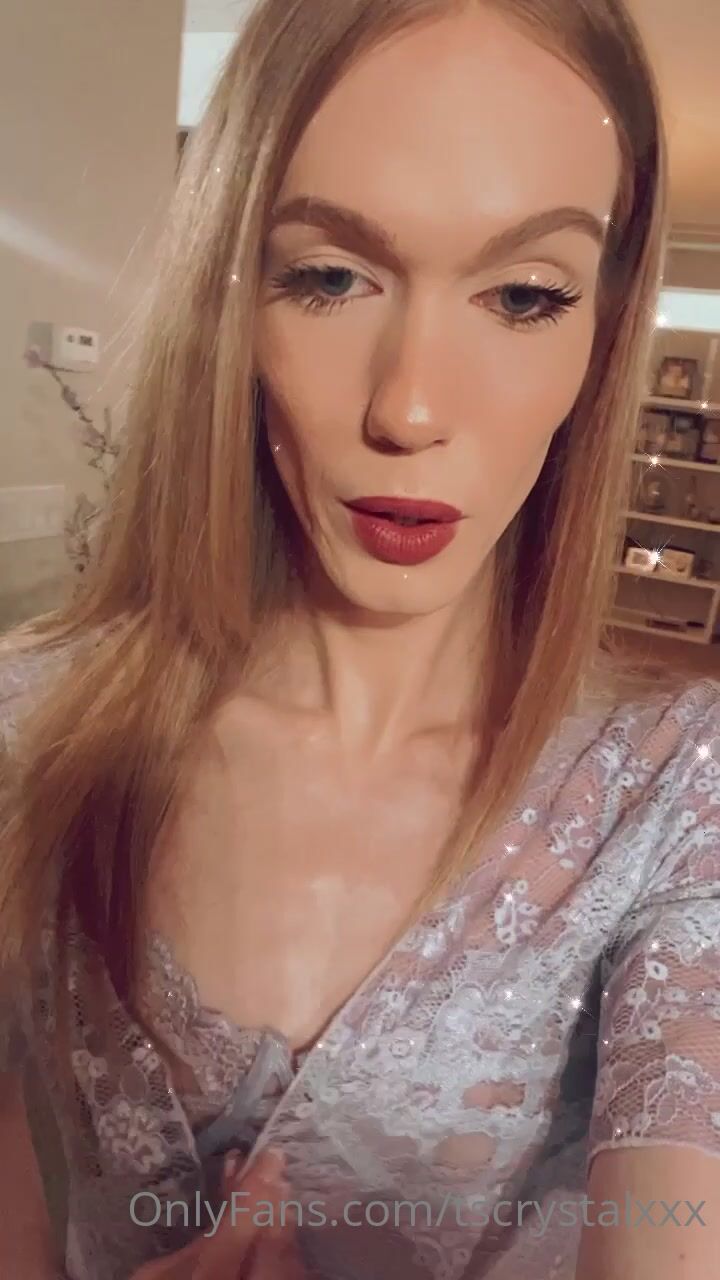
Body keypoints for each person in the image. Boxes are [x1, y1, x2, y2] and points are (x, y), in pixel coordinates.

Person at [1, 0, 719, 1277]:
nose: (411, 406)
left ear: (602, 335)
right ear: (235, 295)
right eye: (329, 277)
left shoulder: (676, 790)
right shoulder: (28, 734)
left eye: (525, 293)